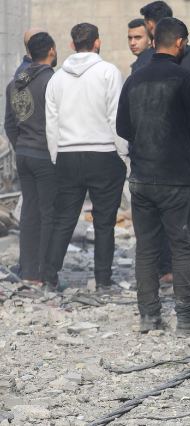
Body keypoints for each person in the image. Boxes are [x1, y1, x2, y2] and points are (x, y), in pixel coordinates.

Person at [117, 17, 190, 336]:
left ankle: (149, 316)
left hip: (141, 177)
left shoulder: (134, 80)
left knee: (147, 247)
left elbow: (122, 129)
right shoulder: (185, 80)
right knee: (183, 245)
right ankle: (186, 319)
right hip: (177, 178)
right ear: (180, 42)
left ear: (154, 41)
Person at [136, 1, 190, 286]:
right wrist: (189, 141)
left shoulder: (146, 65)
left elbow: (126, 121)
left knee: (157, 222)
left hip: (152, 156)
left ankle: (166, 274)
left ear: (154, 27)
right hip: (184, 151)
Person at [43, 23, 126, 290]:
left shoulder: (56, 78)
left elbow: (51, 123)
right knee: (104, 221)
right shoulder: (109, 72)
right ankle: (102, 279)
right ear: (97, 42)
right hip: (103, 153)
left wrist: (57, 156)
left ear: (71, 45)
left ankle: (50, 276)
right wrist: (123, 153)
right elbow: (116, 117)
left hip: (67, 154)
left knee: (64, 219)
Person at [4, 32, 57, 285]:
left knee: (29, 212)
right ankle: (46, 273)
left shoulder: (15, 83)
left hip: (24, 154)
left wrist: (21, 145)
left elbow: (9, 124)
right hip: (45, 155)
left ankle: (29, 271)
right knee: (49, 214)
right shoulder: (52, 82)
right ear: (52, 51)